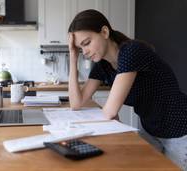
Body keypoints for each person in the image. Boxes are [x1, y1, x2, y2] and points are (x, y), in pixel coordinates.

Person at [68, 9, 187, 170]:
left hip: (179, 130)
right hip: (150, 129)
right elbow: (76, 103)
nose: (85, 52)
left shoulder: (131, 51)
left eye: (87, 43)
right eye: (80, 48)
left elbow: (110, 112)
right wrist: (72, 57)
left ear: (104, 32)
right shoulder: (102, 65)